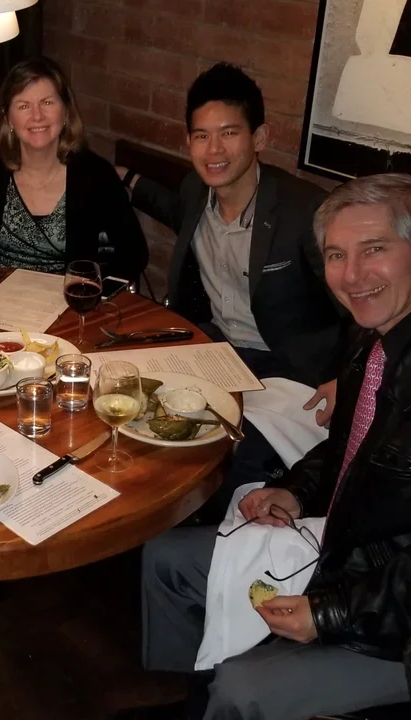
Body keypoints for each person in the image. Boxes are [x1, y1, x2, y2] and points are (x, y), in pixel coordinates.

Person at [137, 174, 411, 720]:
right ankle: (192, 698)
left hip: (392, 623)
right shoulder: (370, 339)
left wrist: (328, 614)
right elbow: (347, 451)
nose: (352, 275)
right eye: (336, 254)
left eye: (374, 249)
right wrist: (294, 490)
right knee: (165, 559)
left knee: (243, 689)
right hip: (341, 553)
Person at [117, 63, 346, 516]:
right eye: (201, 136)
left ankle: (209, 556)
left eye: (229, 133)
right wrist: (122, 179)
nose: (214, 150)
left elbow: (357, 300)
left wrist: (346, 374)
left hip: (289, 372)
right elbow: (169, 206)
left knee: (226, 459)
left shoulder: (303, 211)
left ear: (259, 138)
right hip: (217, 355)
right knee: (133, 409)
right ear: (189, 143)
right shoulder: (194, 190)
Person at [0, 57, 149, 280]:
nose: (37, 116)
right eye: (23, 106)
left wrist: (91, 289)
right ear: (8, 118)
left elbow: (135, 255)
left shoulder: (95, 175)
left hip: (69, 307)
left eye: (47, 103)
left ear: (65, 112)